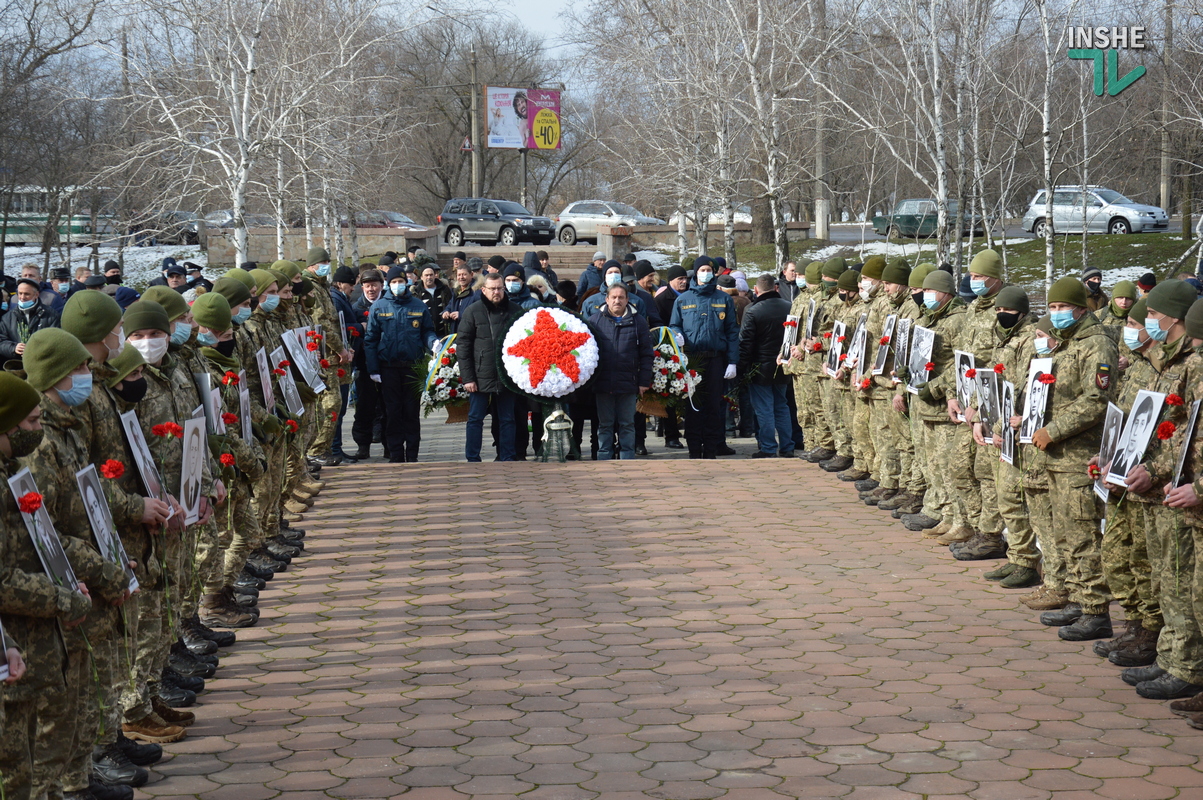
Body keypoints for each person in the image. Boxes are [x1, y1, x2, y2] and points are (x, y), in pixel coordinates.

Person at [363, 266, 438, 463]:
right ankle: (395, 454)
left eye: (401, 282)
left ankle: (412, 454)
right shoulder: (379, 307)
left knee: (411, 412)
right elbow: (370, 339)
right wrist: (373, 369)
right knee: (392, 412)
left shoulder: (418, 305)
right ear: (388, 284)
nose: (398, 285)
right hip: (388, 368)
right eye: (394, 282)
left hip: (412, 367)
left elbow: (426, 331)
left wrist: (434, 343)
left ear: (407, 283)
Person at [669, 256, 738, 459]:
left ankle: (711, 450)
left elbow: (732, 331)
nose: (705, 273)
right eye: (702, 270)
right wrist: (677, 335)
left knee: (713, 406)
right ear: (696, 273)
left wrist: (732, 361)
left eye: (709, 270)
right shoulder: (683, 299)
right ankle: (693, 450)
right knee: (693, 405)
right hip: (692, 360)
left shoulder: (723, 298)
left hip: (716, 359)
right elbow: (674, 325)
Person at [458, 274, 517, 462]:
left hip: (507, 376)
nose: (497, 292)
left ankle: (506, 456)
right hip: (480, 374)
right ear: (484, 290)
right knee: (475, 419)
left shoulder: (515, 310)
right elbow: (463, 346)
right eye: (493, 289)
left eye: (500, 288)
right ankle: (473, 457)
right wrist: (468, 378)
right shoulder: (472, 311)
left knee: (507, 419)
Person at [739, 275, 794, 457]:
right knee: (781, 405)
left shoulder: (753, 310)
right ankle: (787, 446)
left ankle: (768, 447)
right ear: (775, 288)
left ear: (756, 290)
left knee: (764, 408)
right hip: (782, 363)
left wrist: (742, 367)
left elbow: (745, 343)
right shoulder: (789, 307)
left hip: (759, 366)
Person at [0, 278, 60, 361]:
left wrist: (35, 349)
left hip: (42, 363)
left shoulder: (51, 316)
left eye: (26, 294)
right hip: (17, 365)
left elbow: (56, 341)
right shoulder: (8, 317)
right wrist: (14, 348)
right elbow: (1, 342)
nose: (22, 297)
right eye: (20, 293)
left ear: (36, 294)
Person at [443, 266, 478, 334]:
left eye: (464, 274)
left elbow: (478, 313)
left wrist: (461, 315)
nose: (461, 277)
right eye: (459, 275)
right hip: (456, 332)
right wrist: (446, 311)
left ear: (471, 275)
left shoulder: (476, 292)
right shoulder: (456, 291)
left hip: (470, 333)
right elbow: (450, 305)